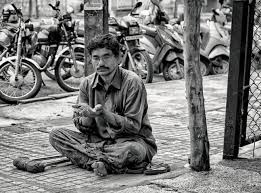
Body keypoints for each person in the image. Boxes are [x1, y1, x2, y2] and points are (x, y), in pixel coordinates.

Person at [49, 34, 157, 176]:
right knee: (56, 135)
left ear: (118, 58)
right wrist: (89, 116)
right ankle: (103, 163)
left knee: (133, 150)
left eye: (106, 57)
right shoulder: (86, 83)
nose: (100, 63)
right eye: (96, 58)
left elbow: (133, 127)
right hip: (97, 143)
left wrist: (104, 114)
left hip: (130, 141)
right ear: (91, 60)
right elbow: (80, 124)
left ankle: (90, 159)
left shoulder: (132, 82)